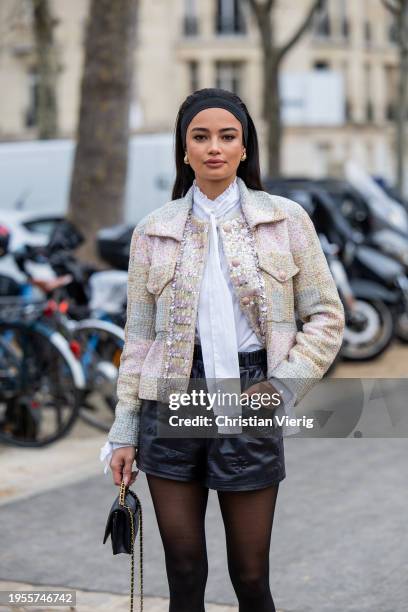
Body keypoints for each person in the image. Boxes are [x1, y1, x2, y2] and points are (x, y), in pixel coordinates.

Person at [99, 87, 345, 612]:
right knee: (184, 576)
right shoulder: (153, 231)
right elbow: (138, 339)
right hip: (170, 402)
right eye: (201, 137)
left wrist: (282, 385)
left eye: (227, 136)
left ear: (244, 148)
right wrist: (123, 431)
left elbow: (326, 314)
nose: (214, 147)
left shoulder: (285, 220)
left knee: (251, 579)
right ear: (184, 151)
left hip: (248, 395)